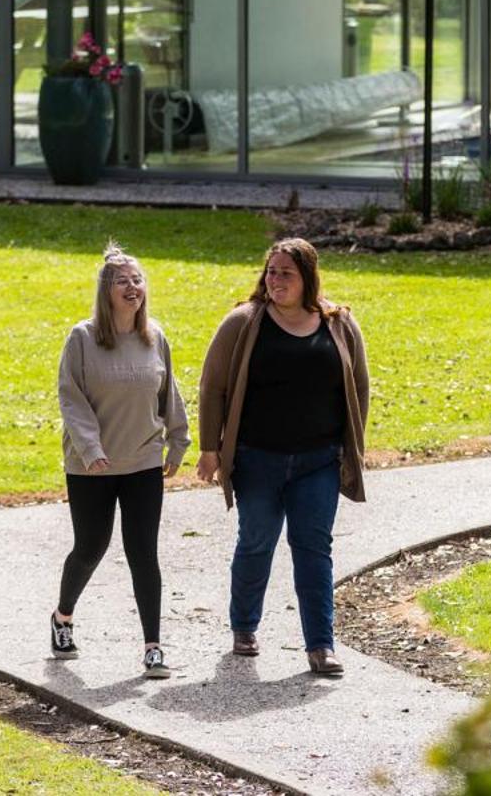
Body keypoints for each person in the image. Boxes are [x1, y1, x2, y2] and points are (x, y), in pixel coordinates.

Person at [196, 237, 369, 678]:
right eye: (271, 272)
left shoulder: (339, 323)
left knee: (314, 547)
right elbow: (212, 386)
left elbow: (358, 387)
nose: (276, 281)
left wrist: (352, 448)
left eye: (286, 274)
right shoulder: (243, 322)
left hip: (318, 460)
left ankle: (321, 645)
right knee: (257, 541)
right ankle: (244, 626)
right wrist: (209, 449)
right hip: (257, 458)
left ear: (307, 277)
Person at [54, 243, 188, 680]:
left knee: (143, 553)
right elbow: (71, 398)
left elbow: (169, 393)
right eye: (122, 281)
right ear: (105, 291)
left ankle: (153, 648)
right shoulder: (82, 338)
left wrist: (178, 441)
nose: (133, 287)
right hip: (92, 465)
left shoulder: (155, 337)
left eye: (137, 279)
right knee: (91, 547)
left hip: (143, 460)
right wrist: (91, 449)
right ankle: (63, 617)